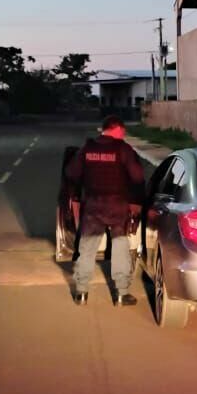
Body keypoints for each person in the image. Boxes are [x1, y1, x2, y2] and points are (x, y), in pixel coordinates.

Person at [65, 115, 145, 307]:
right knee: (120, 248)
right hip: (118, 206)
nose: (123, 135)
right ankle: (121, 294)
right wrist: (136, 201)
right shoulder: (123, 149)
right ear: (116, 129)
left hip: (93, 205)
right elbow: (138, 177)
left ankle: (81, 293)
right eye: (123, 131)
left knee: (87, 250)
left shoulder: (87, 149)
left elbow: (71, 173)